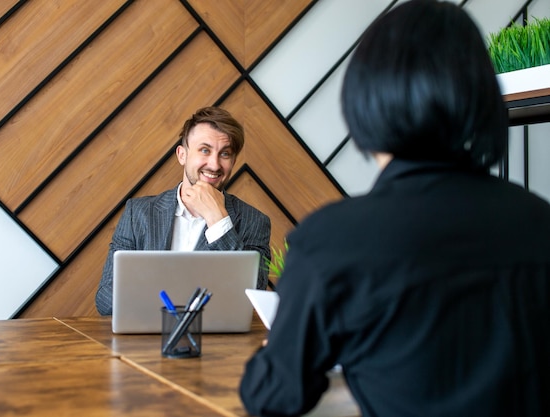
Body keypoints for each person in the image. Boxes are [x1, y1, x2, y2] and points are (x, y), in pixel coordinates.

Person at [239, 1, 550, 416]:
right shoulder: (540, 222)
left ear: (364, 100)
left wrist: (280, 349)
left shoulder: (331, 240)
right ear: (480, 96)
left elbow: (273, 397)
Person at [96, 106, 271, 315]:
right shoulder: (138, 213)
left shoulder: (254, 221)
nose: (214, 165)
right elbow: (106, 299)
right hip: (142, 341)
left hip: (216, 343)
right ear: (182, 155)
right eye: (204, 150)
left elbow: (252, 299)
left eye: (225, 154)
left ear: (233, 161)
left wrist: (218, 220)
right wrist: (168, 313)